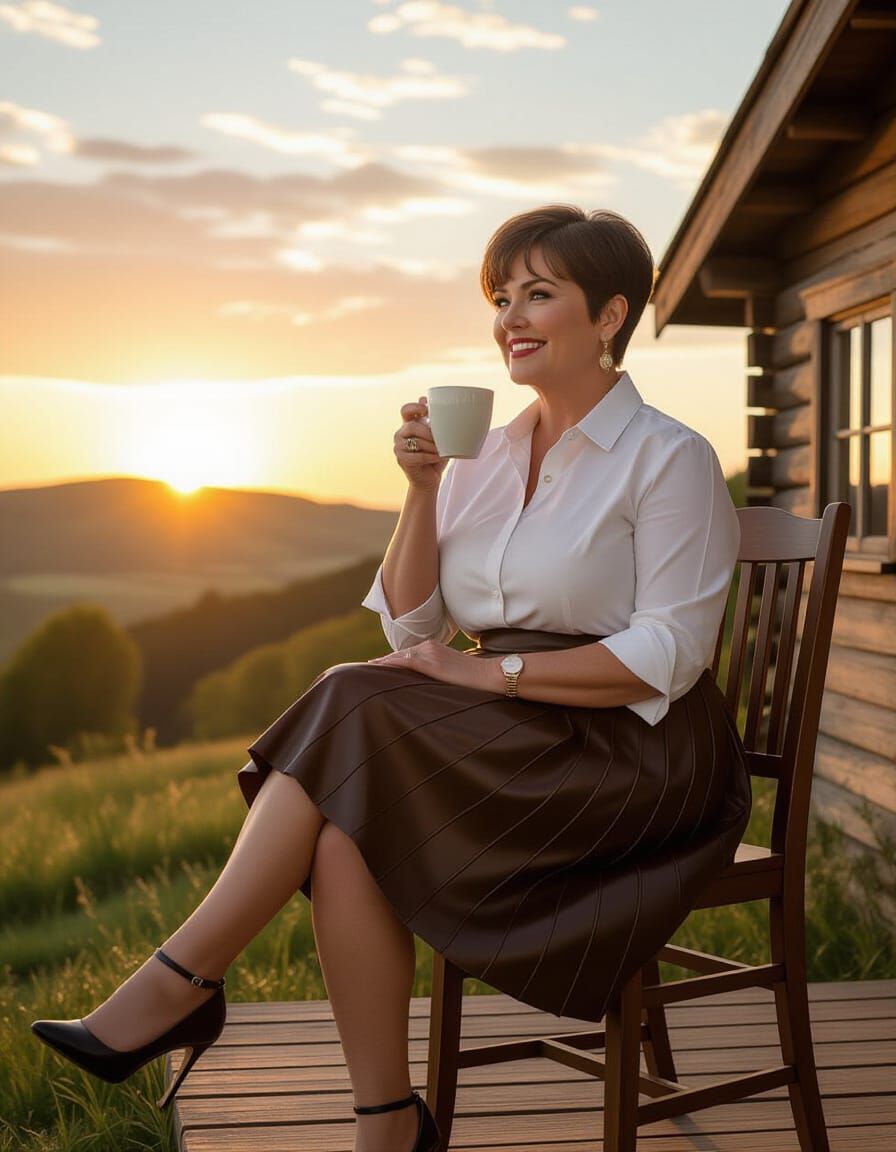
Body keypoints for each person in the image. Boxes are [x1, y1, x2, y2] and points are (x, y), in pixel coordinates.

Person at [31, 204, 752, 1152]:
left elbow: (670, 654)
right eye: (502, 298)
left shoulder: (671, 457)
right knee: (343, 836)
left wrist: (488, 677)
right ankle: (387, 1121)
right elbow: (413, 626)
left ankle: (184, 981)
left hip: (635, 753)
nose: (510, 319)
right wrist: (420, 492)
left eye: (539, 294)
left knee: (349, 692)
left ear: (611, 315)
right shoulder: (483, 456)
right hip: (513, 733)